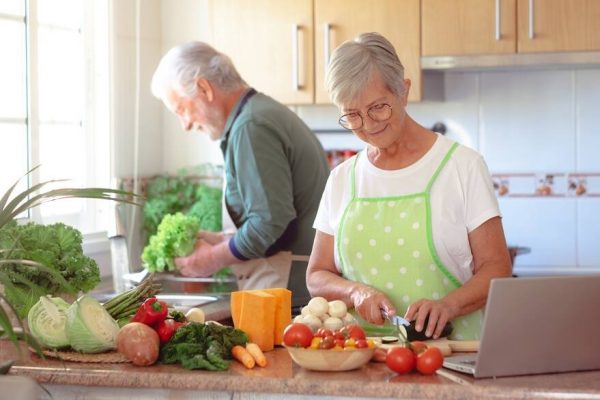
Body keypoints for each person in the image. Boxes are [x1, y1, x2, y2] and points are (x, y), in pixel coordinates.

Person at [306, 32, 512, 340]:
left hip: (451, 357)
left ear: (404, 90)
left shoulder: (462, 167)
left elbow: (497, 268)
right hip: (361, 360)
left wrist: (448, 306)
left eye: (378, 107)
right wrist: (356, 293)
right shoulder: (341, 179)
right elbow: (316, 276)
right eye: (352, 115)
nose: (368, 125)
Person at [151, 41, 330, 308]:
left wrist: (211, 258)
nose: (185, 124)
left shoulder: (251, 127)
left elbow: (269, 223)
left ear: (203, 88)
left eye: (181, 110)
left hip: (289, 294)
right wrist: (221, 241)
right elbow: (272, 220)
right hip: (290, 287)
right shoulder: (256, 116)